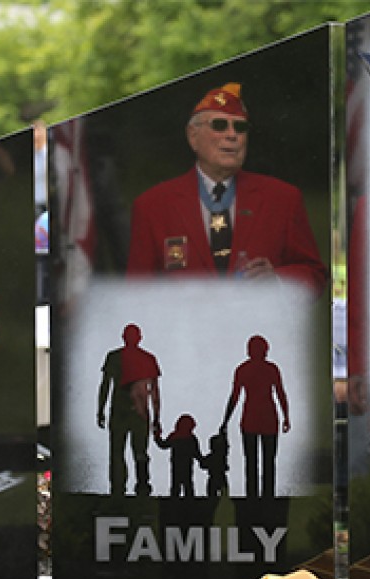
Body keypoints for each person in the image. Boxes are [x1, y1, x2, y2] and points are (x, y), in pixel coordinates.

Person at [126, 82, 328, 295]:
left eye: (240, 127)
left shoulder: (282, 199)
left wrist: (277, 281)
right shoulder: (153, 206)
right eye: (220, 125)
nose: (232, 135)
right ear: (193, 136)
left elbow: (314, 276)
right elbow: (136, 295)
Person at [221, 335, 290, 498]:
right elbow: (280, 393)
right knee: (268, 462)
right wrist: (286, 416)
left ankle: (253, 498)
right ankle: (267, 498)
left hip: (252, 418)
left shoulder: (243, 369)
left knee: (251, 462)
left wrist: (225, 421)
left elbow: (234, 397)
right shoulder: (271, 369)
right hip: (267, 418)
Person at [97, 324, 162, 496]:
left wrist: (100, 409)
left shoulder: (114, 357)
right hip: (139, 413)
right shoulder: (148, 358)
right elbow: (154, 391)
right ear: (139, 338)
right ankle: (141, 487)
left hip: (120, 410)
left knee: (117, 452)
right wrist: (156, 417)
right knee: (139, 452)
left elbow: (105, 386)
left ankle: (118, 490)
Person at [154, 414, 203, 497]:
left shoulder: (175, 436)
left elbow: (163, 445)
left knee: (176, 484)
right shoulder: (191, 439)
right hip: (186, 465)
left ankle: (174, 502)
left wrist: (157, 436)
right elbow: (197, 454)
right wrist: (203, 461)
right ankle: (189, 502)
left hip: (177, 464)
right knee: (187, 484)